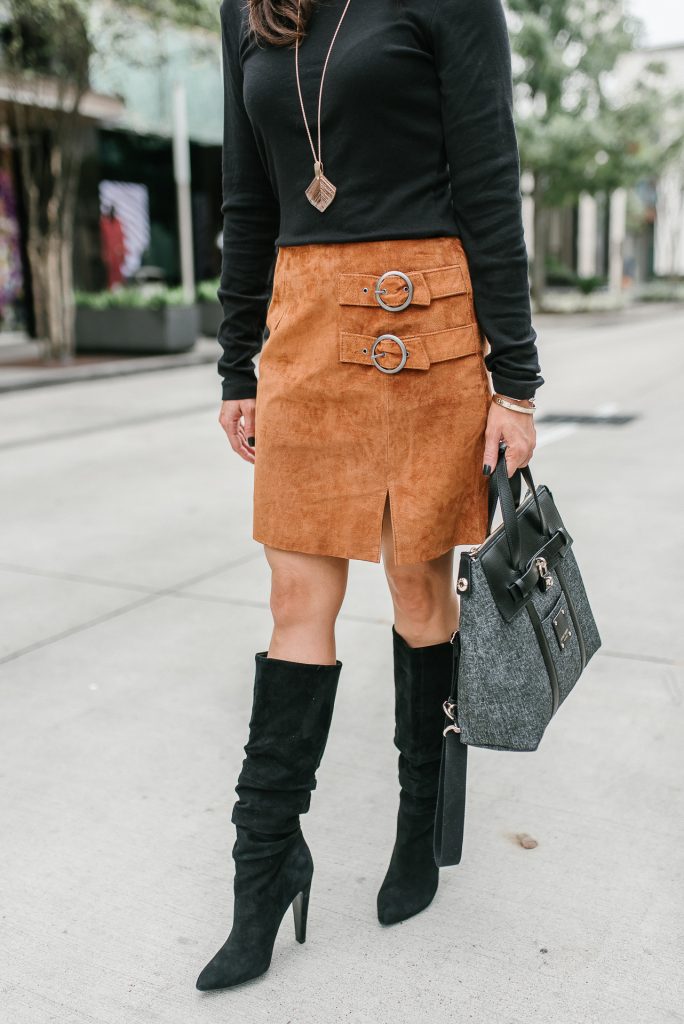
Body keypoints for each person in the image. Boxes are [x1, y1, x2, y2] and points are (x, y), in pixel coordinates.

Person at [197, 0, 543, 992]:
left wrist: (513, 382)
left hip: (424, 326)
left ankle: (416, 822)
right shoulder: (249, 8)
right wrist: (236, 365)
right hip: (303, 334)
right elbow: (246, 196)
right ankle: (263, 871)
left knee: (419, 595)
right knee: (295, 602)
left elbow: (486, 183)